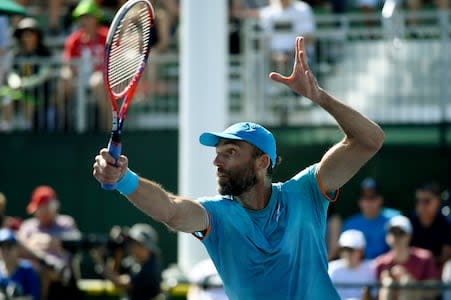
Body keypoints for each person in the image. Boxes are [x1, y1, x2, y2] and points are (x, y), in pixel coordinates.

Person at [93, 36, 385, 299]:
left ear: (262, 162)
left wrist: (320, 97)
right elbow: (170, 209)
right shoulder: (216, 215)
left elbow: (369, 140)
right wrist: (124, 179)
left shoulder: (306, 190)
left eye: (230, 152)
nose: (217, 161)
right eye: (218, 153)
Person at [17, 185, 82, 300]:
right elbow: (19, 248)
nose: (39, 212)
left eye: (43, 207)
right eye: (38, 208)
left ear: (53, 207)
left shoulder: (66, 223)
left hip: (61, 280)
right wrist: (49, 243)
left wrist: (38, 241)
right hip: (31, 278)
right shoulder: (28, 226)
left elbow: (75, 244)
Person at [57, 0, 109, 131]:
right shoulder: (74, 39)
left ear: (96, 18)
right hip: (78, 78)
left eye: (87, 17)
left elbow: (115, 60)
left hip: (102, 79)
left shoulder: (107, 36)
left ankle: (108, 128)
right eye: (81, 18)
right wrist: (69, 73)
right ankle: (63, 124)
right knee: (63, 80)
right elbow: (68, 64)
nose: (84, 21)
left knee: (96, 82)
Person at [2, 17, 54, 132]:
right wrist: (14, 81)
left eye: (30, 33)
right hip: (19, 92)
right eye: (24, 34)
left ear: (37, 36)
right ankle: (7, 127)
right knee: (7, 99)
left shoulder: (45, 53)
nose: (27, 37)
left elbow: (43, 75)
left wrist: (24, 83)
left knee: (28, 102)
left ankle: (27, 128)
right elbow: (12, 72)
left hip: (40, 94)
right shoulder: (17, 54)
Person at [375, 215, 439, 300]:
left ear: (409, 236)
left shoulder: (425, 258)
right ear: (387, 236)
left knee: (406, 283)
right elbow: (373, 294)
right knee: (388, 283)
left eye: (400, 232)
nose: (396, 237)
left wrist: (409, 280)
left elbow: (433, 292)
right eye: (393, 232)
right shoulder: (380, 262)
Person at [94, 223, 163, 300]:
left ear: (145, 246)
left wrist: (99, 260)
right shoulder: (134, 262)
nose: (130, 245)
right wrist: (117, 249)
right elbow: (115, 273)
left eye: (134, 242)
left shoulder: (150, 269)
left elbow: (119, 283)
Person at [342, 177, 398, 260]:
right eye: (365, 197)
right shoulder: (350, 224)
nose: (369, 202)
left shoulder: (394, 219)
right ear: (359, 201)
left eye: (373, 197)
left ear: (380, 199)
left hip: (387, 266)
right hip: (359, 268)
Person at [408, 181, 451, 270]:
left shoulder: (448, 224)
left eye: (426, 201)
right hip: (413, 271)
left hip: (439, 273)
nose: (421, 205)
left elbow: (446, 258)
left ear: (438, 201)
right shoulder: (409, 222)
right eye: (418, 201)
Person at [328, 229, 376, 300]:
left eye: (351, 250)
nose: (347, 253)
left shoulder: (371, 268)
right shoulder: (331, 268)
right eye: (344, 249)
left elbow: (374, 295)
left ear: (361, 251)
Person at [0, 228, 41, 300]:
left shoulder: (27, 269)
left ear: (16, 248)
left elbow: (34, 296)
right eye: (2, 247)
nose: (5, 251)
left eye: (9, 247)